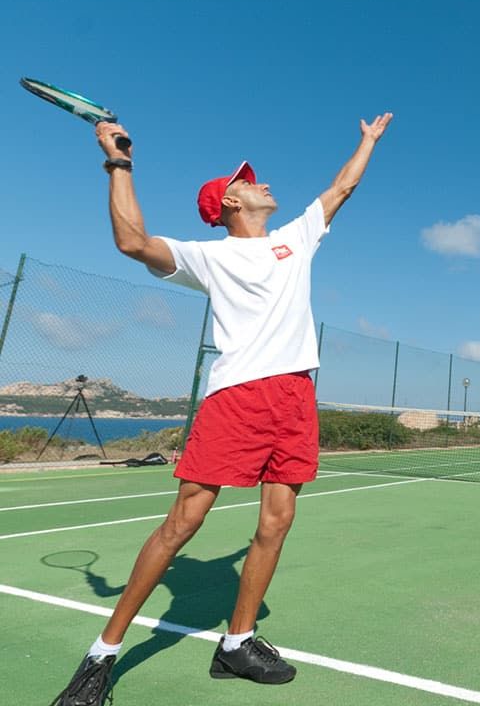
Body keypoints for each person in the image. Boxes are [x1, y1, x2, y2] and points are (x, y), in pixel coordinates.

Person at [51, 112, 393, 706]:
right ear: (229, 202)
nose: (261, 184)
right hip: (238, 397)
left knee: (277, 520)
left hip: (295, 396)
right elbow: (132, 240)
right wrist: (118, 159)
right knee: (184, 522)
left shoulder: (296, 238)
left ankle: (237, 643)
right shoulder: (206, 256)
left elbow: (341, 189)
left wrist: (366, 142)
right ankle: (101, 656)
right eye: (248, 181)